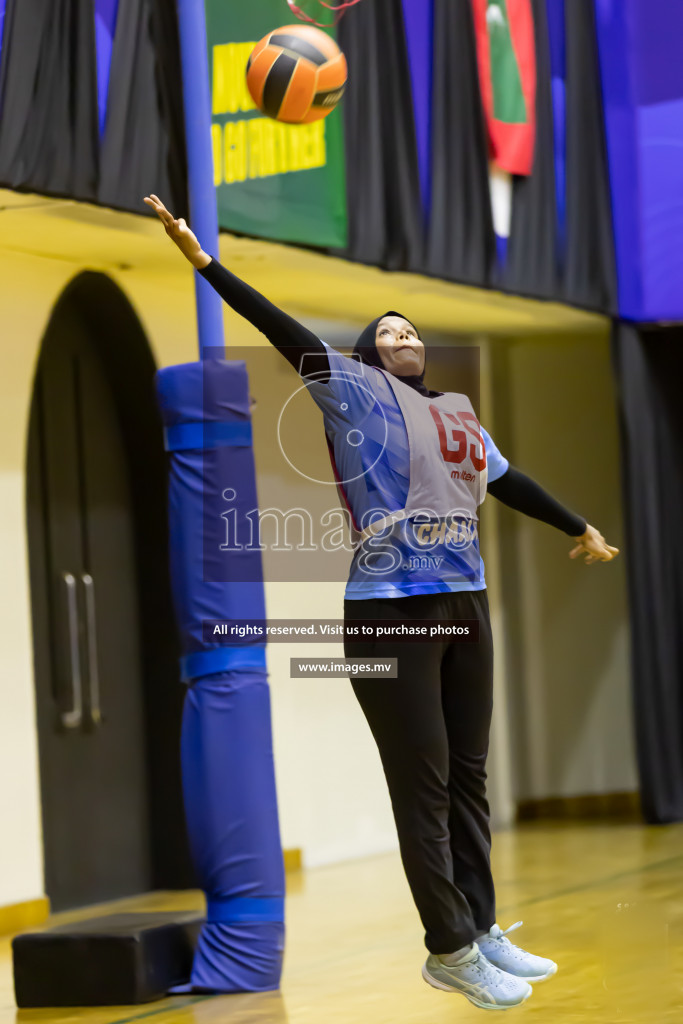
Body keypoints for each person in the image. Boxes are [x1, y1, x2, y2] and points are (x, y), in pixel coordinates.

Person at [144, 195, 619, 1011]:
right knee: (423, 784)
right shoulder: (349, 392)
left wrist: (577, 525)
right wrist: (205, 264)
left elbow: (507, 483)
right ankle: (447, 948)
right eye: (387, 332)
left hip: (464, 603)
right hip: (388, 611)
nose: (403, 337)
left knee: (468, 776)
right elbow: (281, 326)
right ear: (365, 354)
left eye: (411, 330)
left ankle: (481, 926)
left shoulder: (455, 415)